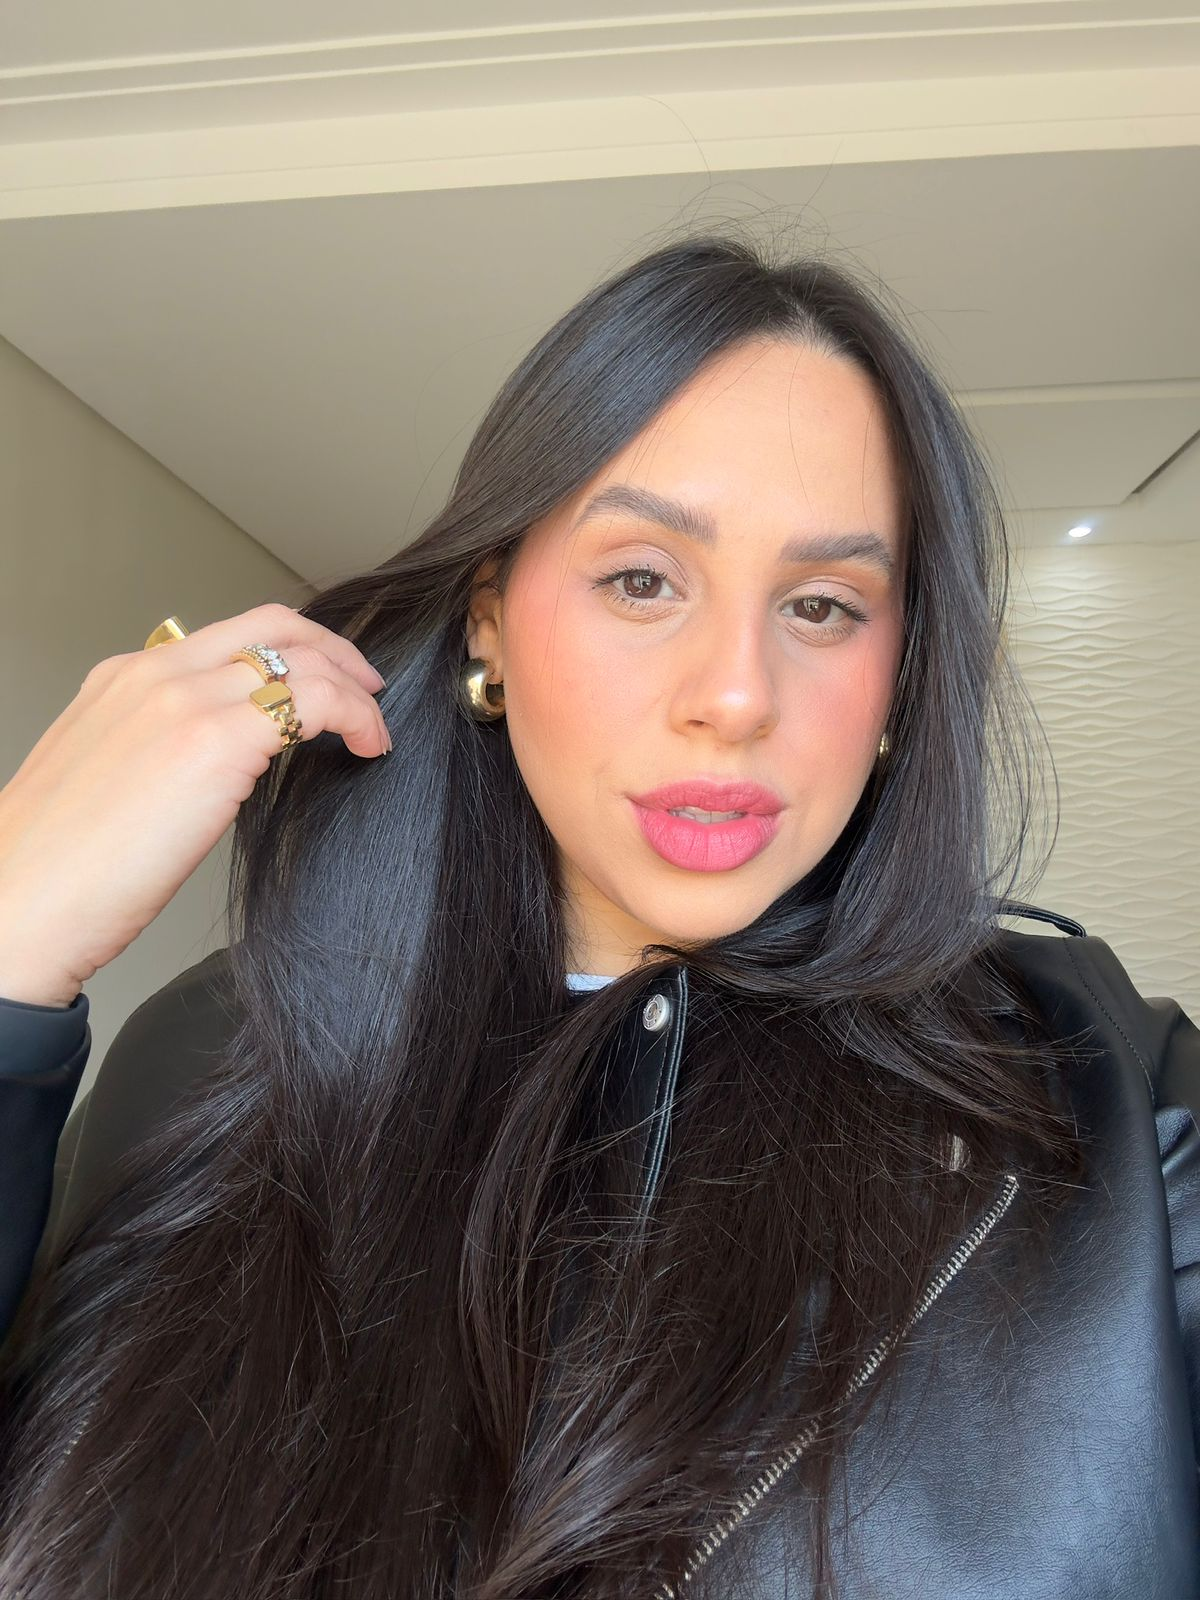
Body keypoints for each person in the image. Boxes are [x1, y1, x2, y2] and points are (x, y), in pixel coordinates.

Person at [0, 231, 1195, 1600]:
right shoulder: (214, 1055)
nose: (735, 695)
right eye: (642, 579)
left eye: (823, 605)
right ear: (490, 623)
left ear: (902, 678)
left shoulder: (1116, 1102)